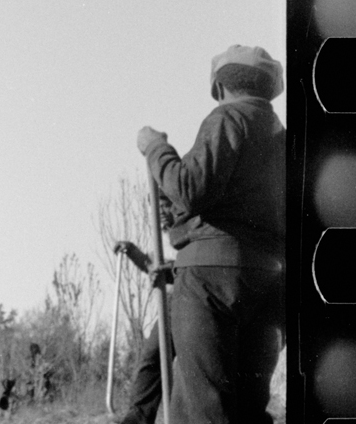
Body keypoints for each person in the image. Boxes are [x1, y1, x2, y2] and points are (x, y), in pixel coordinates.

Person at [137, 44, 285, 424]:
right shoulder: (283, 136)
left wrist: (156, 149)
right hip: (268, 281)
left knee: (204, 408)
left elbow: (188, 188)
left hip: (210, 280)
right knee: (248, 409)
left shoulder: (228, 118)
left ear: (219, 87)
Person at [110, 241, 175, 424]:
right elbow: (152, 265)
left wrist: (171, 269)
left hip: (203, 294)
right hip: (177, 302)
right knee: (152, 357)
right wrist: (132, 251)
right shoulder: (171, 236)